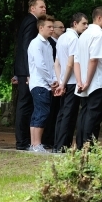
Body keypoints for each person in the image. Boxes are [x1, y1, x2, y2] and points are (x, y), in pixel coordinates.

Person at [75, 7, 102, 148]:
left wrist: (80, 81)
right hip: (96, 82)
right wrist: (88, 81)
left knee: (84, 114)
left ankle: (80, 146)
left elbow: (77, 61)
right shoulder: (98, 34)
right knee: (94, 117)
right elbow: (94, 60)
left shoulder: (83, 35)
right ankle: (88, 147)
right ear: (99, 18)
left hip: (84, 82)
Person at [12, 0, 46, 150]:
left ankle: (23, 141)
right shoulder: (32, 22)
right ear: (32, 8)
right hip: (26, 71)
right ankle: (22, 142)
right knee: (25, 105)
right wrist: (27, 72)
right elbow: (26, 48)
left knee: (24, 104)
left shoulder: (26, 21)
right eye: (41, 7)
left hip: (22, 69)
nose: (44, 9)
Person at [52, 13, 88, 153]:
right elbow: (70, 63)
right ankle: (62, 146)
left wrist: (61, 81)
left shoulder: (61, 38)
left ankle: (57, 145)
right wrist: (64, 83)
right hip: (72, 81)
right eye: (83, 24)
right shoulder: (74, 39)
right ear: (75, 23)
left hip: (65, 81)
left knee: (62, 114)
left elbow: (56, 63)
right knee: (69, 115)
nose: (86, 26)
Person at [27, 15, 58, 152]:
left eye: (53, 27)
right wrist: (51, 81)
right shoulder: (36, 43)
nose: (52, 29)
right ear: (41, 28)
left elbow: (51, 65)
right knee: (42, 113)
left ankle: (34, 144)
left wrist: (54, 79)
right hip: (40, 83)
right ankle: (36, 144)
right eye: (49, 27)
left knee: (39, 112)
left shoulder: (48, 44)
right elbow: (40, 65)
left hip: (45, 83)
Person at [40, 15, 63, 148]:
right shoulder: (50, 44)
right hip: (49, 82)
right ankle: (46, 139)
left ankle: (50, 138)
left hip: (54, 80)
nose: (63, 29)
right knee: (48, 111)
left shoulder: (52, 43)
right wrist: (52, 80)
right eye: (60, 27)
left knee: (54, 111)